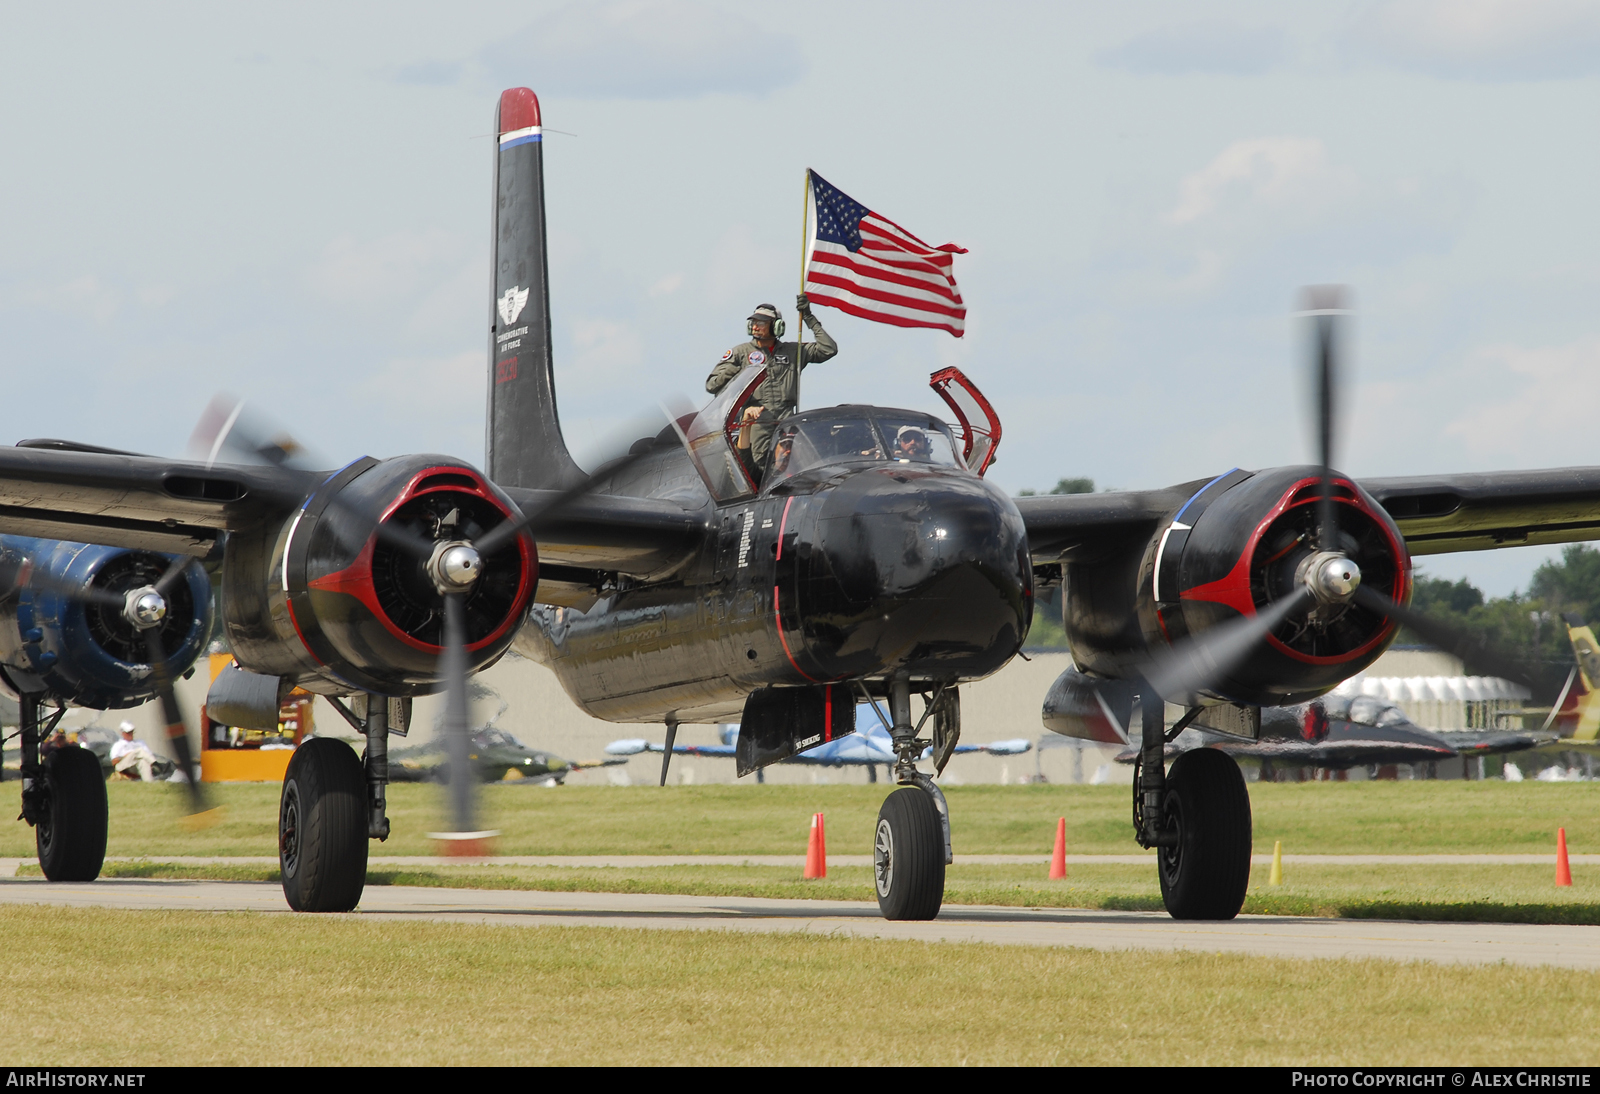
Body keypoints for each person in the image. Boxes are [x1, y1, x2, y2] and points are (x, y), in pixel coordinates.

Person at [706, 294, 838, 471]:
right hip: (758, 420)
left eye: (761, 323)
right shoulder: (740, 353)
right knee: (759, 468)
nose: (755, 326)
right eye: (753, 322)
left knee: (800, 465)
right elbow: (712, 385)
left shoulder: (793, 351)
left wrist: (808, 317)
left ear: (776, 326)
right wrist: (737, 371)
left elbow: (828, 349)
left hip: (787, 419)